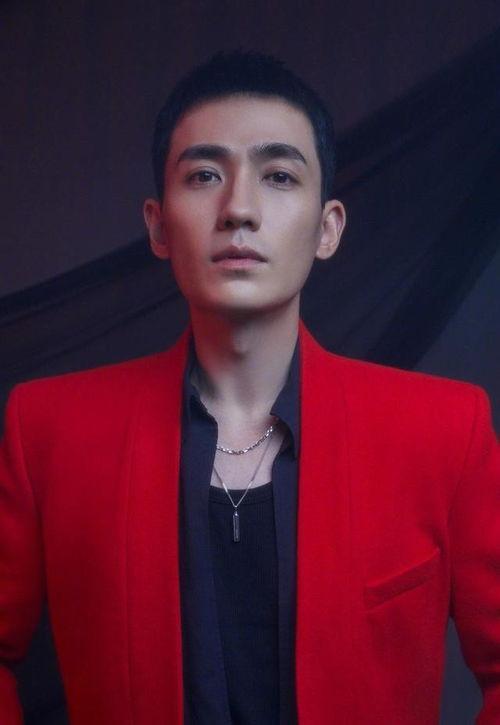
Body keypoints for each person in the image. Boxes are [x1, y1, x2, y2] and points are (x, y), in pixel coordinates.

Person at [0, 50, 499, 725]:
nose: (239, 208)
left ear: (328, 228)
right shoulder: (49, 429)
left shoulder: (444, 430)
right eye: (204, 175)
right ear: (157, 225)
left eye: (279, 175)